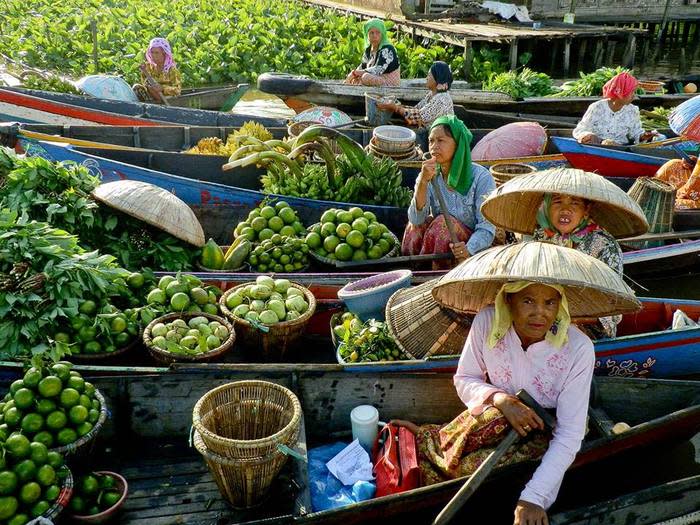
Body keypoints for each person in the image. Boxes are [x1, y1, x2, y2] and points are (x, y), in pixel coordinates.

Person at [394, 280, 595, 525]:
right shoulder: (488, 321)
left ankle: (434, 446)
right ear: (508, 300)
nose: (539, 313)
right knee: (492, 419)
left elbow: (569, 433)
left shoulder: (578, 348)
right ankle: (432, 441)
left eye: (550, 302)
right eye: (528, 301)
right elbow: (466, 378)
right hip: (497, 415)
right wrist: (501, 399)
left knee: (468, 469)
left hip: (544, 431)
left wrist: (533, 499)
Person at [403, 115, 496, 267]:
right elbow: (416, 219)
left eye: (441, 140)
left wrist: (468, 249)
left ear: (458, 144)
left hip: (472, 247)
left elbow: (487, 228)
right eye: (431, 141)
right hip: (442, 242)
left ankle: (439, 276)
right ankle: (415, 271)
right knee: (413, 227)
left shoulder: (481, 178)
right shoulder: (428, 174)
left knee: (443, 224)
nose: (434, 147)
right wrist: (423, 182)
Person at [532, 193, 622, 338]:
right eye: (557, 202)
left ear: (586, 209)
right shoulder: (541, 236)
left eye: (574, 203)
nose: (565, 210)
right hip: (543, 316)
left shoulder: (605, 245)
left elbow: (613, 304)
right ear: (547, 206)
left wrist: (566, 319)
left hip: (587, 325)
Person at [573, 72, 656, 146]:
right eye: (632, 92)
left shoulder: (632, 110)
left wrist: (644, 136)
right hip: (597, 146)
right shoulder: (597, 107)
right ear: (621, 92)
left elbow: (636, 133)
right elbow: (580, 129)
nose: (634, 96)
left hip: (620, 148)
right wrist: (589, 136)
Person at [376, 61, 454, 128]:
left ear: (438, 78)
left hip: (439, 139)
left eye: (429, 75)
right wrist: (396, 106)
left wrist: (395, 108)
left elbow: (418, 117)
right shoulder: (432, 94)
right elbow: (416, 109)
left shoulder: (442, 99)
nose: (426, 78)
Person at [345, 19, 400, 87]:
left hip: (388, 81)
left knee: (365, 77)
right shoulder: (368, 50)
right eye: (371, 33)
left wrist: (356, 73)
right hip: (376, 78)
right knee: (357, 78)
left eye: (378, 32)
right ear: (367, 35)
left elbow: (379, 69)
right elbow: (363, 66)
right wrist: (354, 74)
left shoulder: (388, 49)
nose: (374, 35)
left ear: (382, 34)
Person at [132, 38, 182, 103]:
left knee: (153, 88)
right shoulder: (148, 67)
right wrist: (144, 71)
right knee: (136, 87)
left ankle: (159, 104)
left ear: (164, 53)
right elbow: (144, 84)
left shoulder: (172, 70)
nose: (154, 56)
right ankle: (150, 105)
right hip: (152, 96)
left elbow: (177, 90)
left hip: (168, 99)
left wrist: (163, 88)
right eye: (152, 52)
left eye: (157, 53)